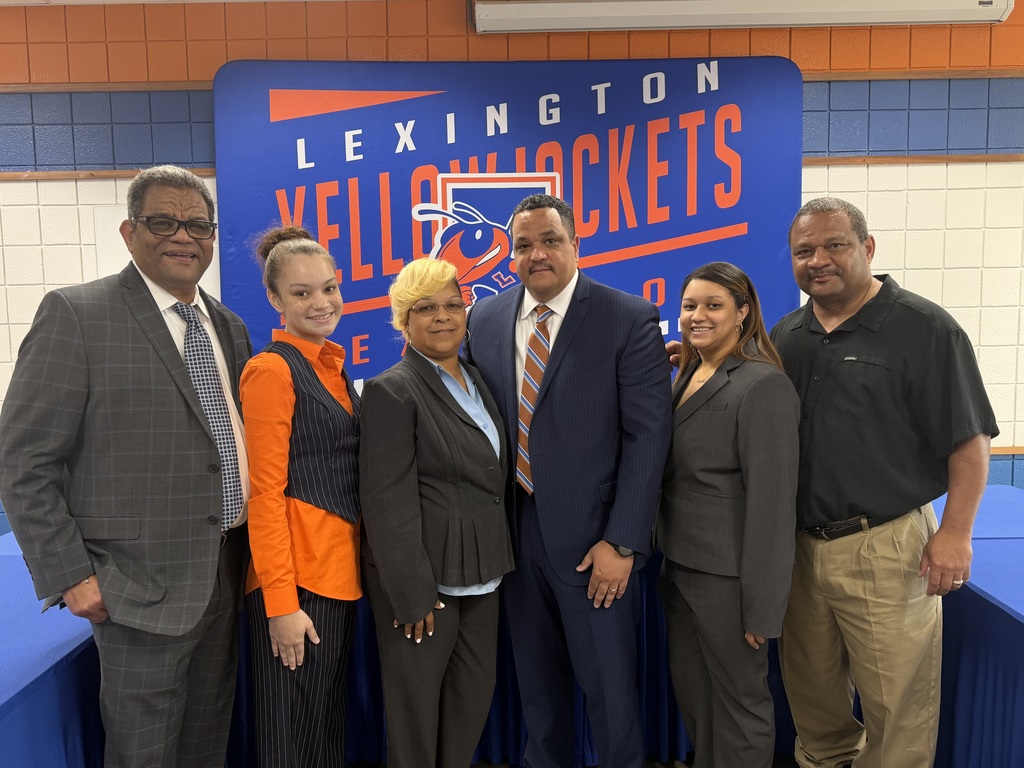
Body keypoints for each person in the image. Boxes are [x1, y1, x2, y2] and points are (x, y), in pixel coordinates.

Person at [0, 165, 252, 768]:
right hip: (135, 588)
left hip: (225, 573)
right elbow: (24, 460)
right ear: (129, 232)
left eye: (198, 225)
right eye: (162, 222)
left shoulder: (228, 326)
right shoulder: (77, 314)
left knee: (205, 745)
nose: (183, 236)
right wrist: (70, 574)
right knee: (143, 755)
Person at [771, 198, 998, 768]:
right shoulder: (787, 335)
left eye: (834, 245)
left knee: (899, 712)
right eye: (804, 251)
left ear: (867, 248)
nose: (818, 260)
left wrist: (956, 533)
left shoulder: (925, 329)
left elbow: (970, 442)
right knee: (814, 703)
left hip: (887, 547)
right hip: (798, 550)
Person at [465, 193, 672, 768]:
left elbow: (648, 436)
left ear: (576, 245)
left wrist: (622, 541)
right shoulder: (484, 318)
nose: (537, 254)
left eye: (550, 240)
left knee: (611, 699)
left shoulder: (627, 317)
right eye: (524, 244)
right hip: (513, 540)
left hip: (594, 546)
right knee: (539, 700)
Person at [359, 258, 514, 768]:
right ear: (405, 322)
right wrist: (411, 594)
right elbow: (386, 502)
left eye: (453, 305)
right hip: (425, 588)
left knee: (471, 705)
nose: (443, 316)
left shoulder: (476, 377)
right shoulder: (392, 389)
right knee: (416, 718)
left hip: (484, 575)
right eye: (426, 308)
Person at [657, 261, 799, 768]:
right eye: (689, 306)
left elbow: (773, 504)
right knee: (697, 695)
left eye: (712, 306)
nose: (697, 315)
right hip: (679, 565)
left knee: (740, 705)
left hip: (730, 580)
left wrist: (762, 606)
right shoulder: (688, 372)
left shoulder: (763, 384)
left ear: (742, 312)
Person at [240, 227, 361, 767]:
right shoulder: (271, 370)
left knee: (322, 729)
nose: (321, 302)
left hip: (337, 574)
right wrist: (281, 604)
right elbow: (264, 495)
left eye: (329, 288)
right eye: (301, 292)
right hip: (297, 581)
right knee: (290, 739)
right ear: (275, 299)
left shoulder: (330, 366)